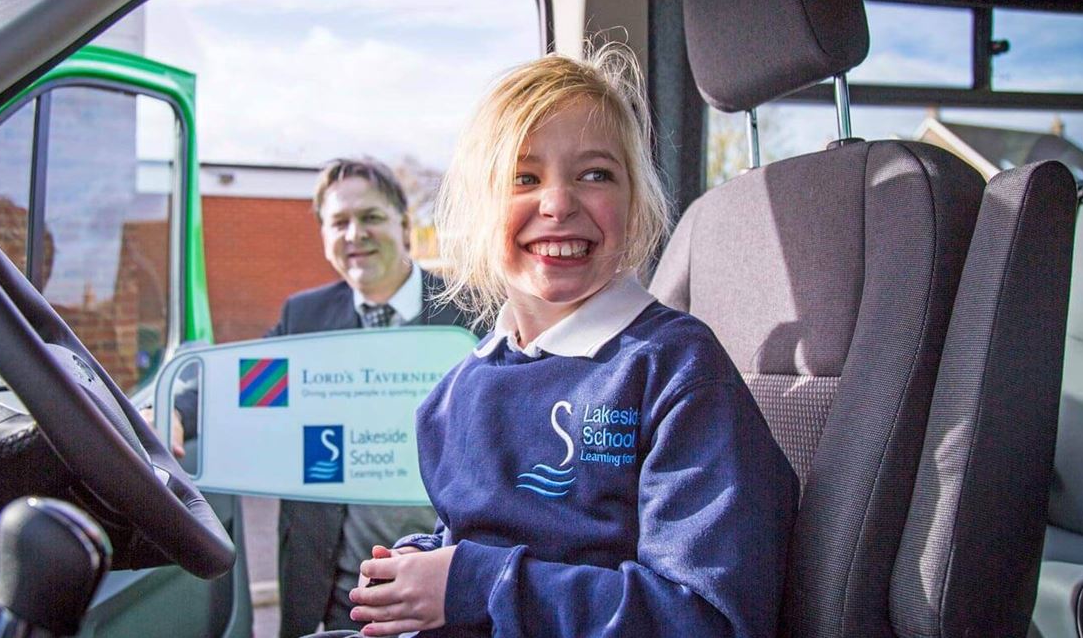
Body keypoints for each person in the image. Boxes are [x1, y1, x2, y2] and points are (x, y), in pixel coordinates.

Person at [334, 46, 799, 638]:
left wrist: (473, 584)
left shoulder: (673, 369)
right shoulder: (456, 394)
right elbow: (476, 541)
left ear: (635, 203)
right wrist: (423, 565)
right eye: (524, 178)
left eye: (595, 175)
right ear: (477, 211)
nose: (557, 203)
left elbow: (704, 617)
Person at [272, 158, 474, 638]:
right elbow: (243, 384)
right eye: (339, 222)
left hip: (447, 591)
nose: (354, 234)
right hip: (341, 596)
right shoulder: (305, 318)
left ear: (403, 226)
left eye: (371, 217)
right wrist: (174, 409)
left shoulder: (472, 313)